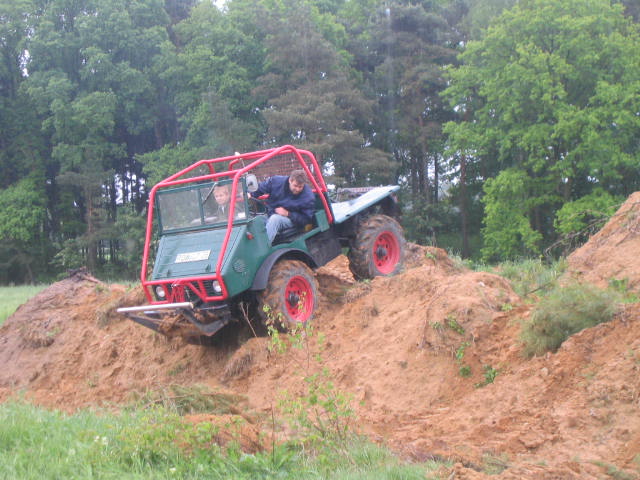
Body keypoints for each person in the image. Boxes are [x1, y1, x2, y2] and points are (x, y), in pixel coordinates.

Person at [252, 169, 315, 244]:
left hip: (291, 220)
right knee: (255, 221)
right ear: (290, 180)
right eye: (295, 186)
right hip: (271, 213)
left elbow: (306, 220)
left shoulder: (307, 197)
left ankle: (263, 248)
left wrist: (288, 214)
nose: (297, 189)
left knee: (275, 219)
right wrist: (250, 194)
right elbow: (261, 188)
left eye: (300, 187)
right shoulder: (276, 182)